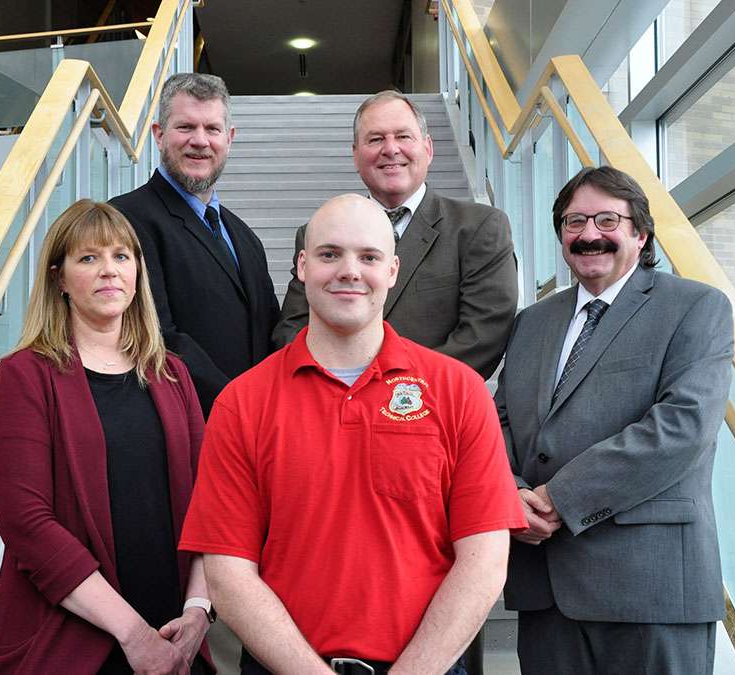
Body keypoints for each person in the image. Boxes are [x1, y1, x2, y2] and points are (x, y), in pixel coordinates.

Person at [179, 194, 526, 675]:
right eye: (329, 254)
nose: (349, 271)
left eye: (368, 257)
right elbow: (228, 571)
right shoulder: (242, 403)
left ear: (393, 270)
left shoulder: (457, 391)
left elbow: (485, 559)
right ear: (301, 266)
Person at [496, 166, 734, 674]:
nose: (588, 235)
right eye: (574, 221)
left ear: (640, 232)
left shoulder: (695, 307)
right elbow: (497, 426)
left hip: (651, 586)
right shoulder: (531, 322)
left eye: (607, 220)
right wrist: (510, 495)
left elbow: (682, 427)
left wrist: (560, 497)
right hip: (546, 587)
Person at [0, 200, 213, 674]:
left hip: (174, 638)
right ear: (59, 279)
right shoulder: (24, 376)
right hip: (72, 644)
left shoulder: (172, 375)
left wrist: (199, 611)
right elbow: (27, 524)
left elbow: (211, 503)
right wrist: (133, 634)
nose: (109, 270)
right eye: (88, 258)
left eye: (121, 256)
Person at [272, 90, 518, 381]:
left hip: (429, 409)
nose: (390, 149)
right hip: (331, 405)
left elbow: (482, 337)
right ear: (355, 154)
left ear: (427, 148)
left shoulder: (479, 228)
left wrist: (385, 390)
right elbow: (293, 329)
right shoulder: (318, 233)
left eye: (403, 137)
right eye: (376, 139)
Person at [109, 73, 279, 416]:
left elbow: (268, 330)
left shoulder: (246, 238)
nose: (200, 141)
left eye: (212, 129)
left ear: (229, 139)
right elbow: (155, 335)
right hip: (182, 425)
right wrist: (237, 406)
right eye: (185, 127)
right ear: (159, 135)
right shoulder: (125, 219)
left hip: (252, 429)